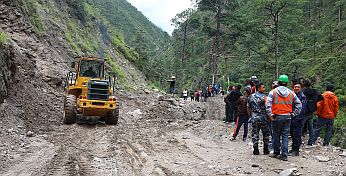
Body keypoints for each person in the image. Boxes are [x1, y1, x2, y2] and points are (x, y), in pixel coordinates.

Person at [266, 75, 302, 161]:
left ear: (278, 82)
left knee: (276, 134)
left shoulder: (273, 92)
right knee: (285, 135)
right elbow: (299, 105)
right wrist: (294, 114)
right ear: (287, 83)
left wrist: (270, 115)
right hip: (288, 116)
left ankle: (276, 152)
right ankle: (284, 155)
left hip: (276, 116)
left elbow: (268, 104)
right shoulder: (291, 93)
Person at [248, 83, 270, 155]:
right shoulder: (265, 97)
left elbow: (248, 107)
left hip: (254, 117)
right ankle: (266, 150)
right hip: (263, 117)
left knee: (255, 133)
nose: (264, 89)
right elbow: (268, 108)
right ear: (259, 88)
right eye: (263, 87)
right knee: (265, 133)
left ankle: (256, 149)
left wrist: (250, 116)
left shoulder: (251, 96)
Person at [302, 79, 324, 144]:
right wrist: (313, 102)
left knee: (300, 126)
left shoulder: (303, 91)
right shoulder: (314, 91)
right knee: (310, 127)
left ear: (303, 84)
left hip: (304, 111)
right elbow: (321, 98)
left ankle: (297, 141)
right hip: (311, 110)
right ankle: (311, 141)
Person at [289, 82, 307, 156]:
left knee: (297, 134)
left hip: (298, 118)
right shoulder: (291, 95)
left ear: (301, 88)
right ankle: (293, 148)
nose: (296, 88)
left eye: (298, 87)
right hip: (292, 117)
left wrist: (296, 116)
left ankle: (296, 150)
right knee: (292, 134)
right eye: (295, 87)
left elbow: (302, 109)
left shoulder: (303, 97)